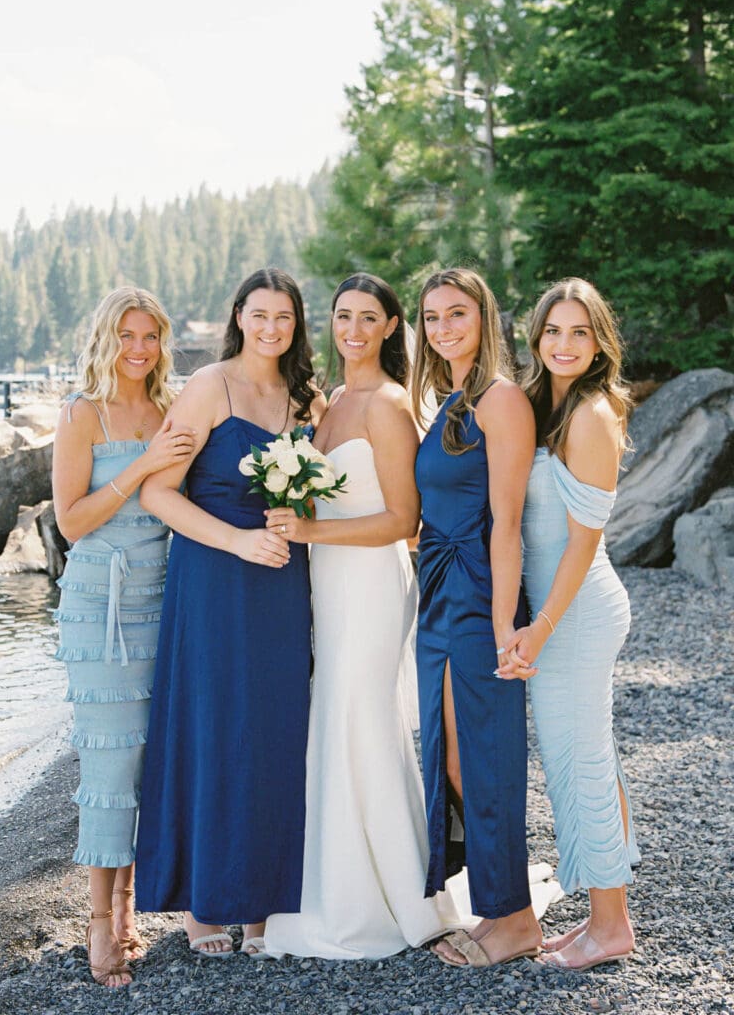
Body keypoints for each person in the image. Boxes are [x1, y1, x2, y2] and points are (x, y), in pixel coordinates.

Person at [263, 273, 464, 959]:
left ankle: (398, 898)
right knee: (335, 720)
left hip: (374, 582)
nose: (352, 329)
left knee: (361, 714)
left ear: (389, 327)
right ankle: (335, 886)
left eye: (367, 317)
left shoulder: (386, 403)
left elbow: (404, 519)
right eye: (342, 316)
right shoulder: (331, 402)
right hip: (328, 581)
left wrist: (309, 532)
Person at [134, 268, 323, 959]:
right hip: (214, 573)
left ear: (297, 324)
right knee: (215, 724)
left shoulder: (303, 399)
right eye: (260, 314)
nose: (272, 328)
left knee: (275, 729)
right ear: (239, 315)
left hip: (279, 577)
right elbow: (158, 492)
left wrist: (296, 515)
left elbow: (310, 499)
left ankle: (265, 895)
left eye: (284, 317)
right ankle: (207, 905)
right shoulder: (208, 386)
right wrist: (238, 538)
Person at [52, 287, 195, 987]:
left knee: (145, 763)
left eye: (150, 337)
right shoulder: (83, 414)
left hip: (161, 600)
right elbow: (71, 522)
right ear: (106, 340)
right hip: (96, 608)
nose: (139, 349)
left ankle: (132, 907)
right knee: (109, 768)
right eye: (127, 337)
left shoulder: (172, 409)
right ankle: (99, 925)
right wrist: (139, 466)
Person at [498, 277, 640, 971]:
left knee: (578, 759)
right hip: (560, 610)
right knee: (586, 757)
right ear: (536, 337)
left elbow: (583, 543)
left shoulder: (591, 413)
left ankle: (610, 927)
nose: (564, 344)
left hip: (577, 611)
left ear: (598, 341)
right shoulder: (538, 405)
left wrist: (542, 626)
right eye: (553, 330)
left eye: (579, 332)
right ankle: (603, 916)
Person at [411, 267, 542, 968]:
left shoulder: (500, 401)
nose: (443, 329)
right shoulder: (449, 402)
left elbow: (508, 522)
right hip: (438, 592)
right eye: (431, 318)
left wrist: (501, 628)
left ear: (483, 318)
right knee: (451, 752)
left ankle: (517, 918)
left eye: (455, 314)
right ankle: (499, 904)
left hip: (478, 591)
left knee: (482, 754)